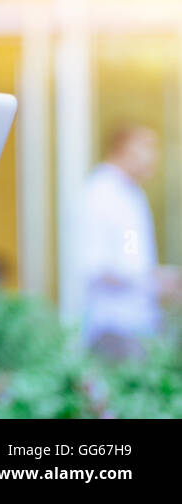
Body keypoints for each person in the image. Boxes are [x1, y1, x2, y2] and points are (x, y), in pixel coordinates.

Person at [78, 123, 165, 362]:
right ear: (123, 147)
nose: (153, 156)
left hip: (141, 323)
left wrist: (159, 279)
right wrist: (149, 282)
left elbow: (131, 259)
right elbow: (97, 267)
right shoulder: (100, 193)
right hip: (113, 328)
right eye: (147, 147)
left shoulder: (133, 194)